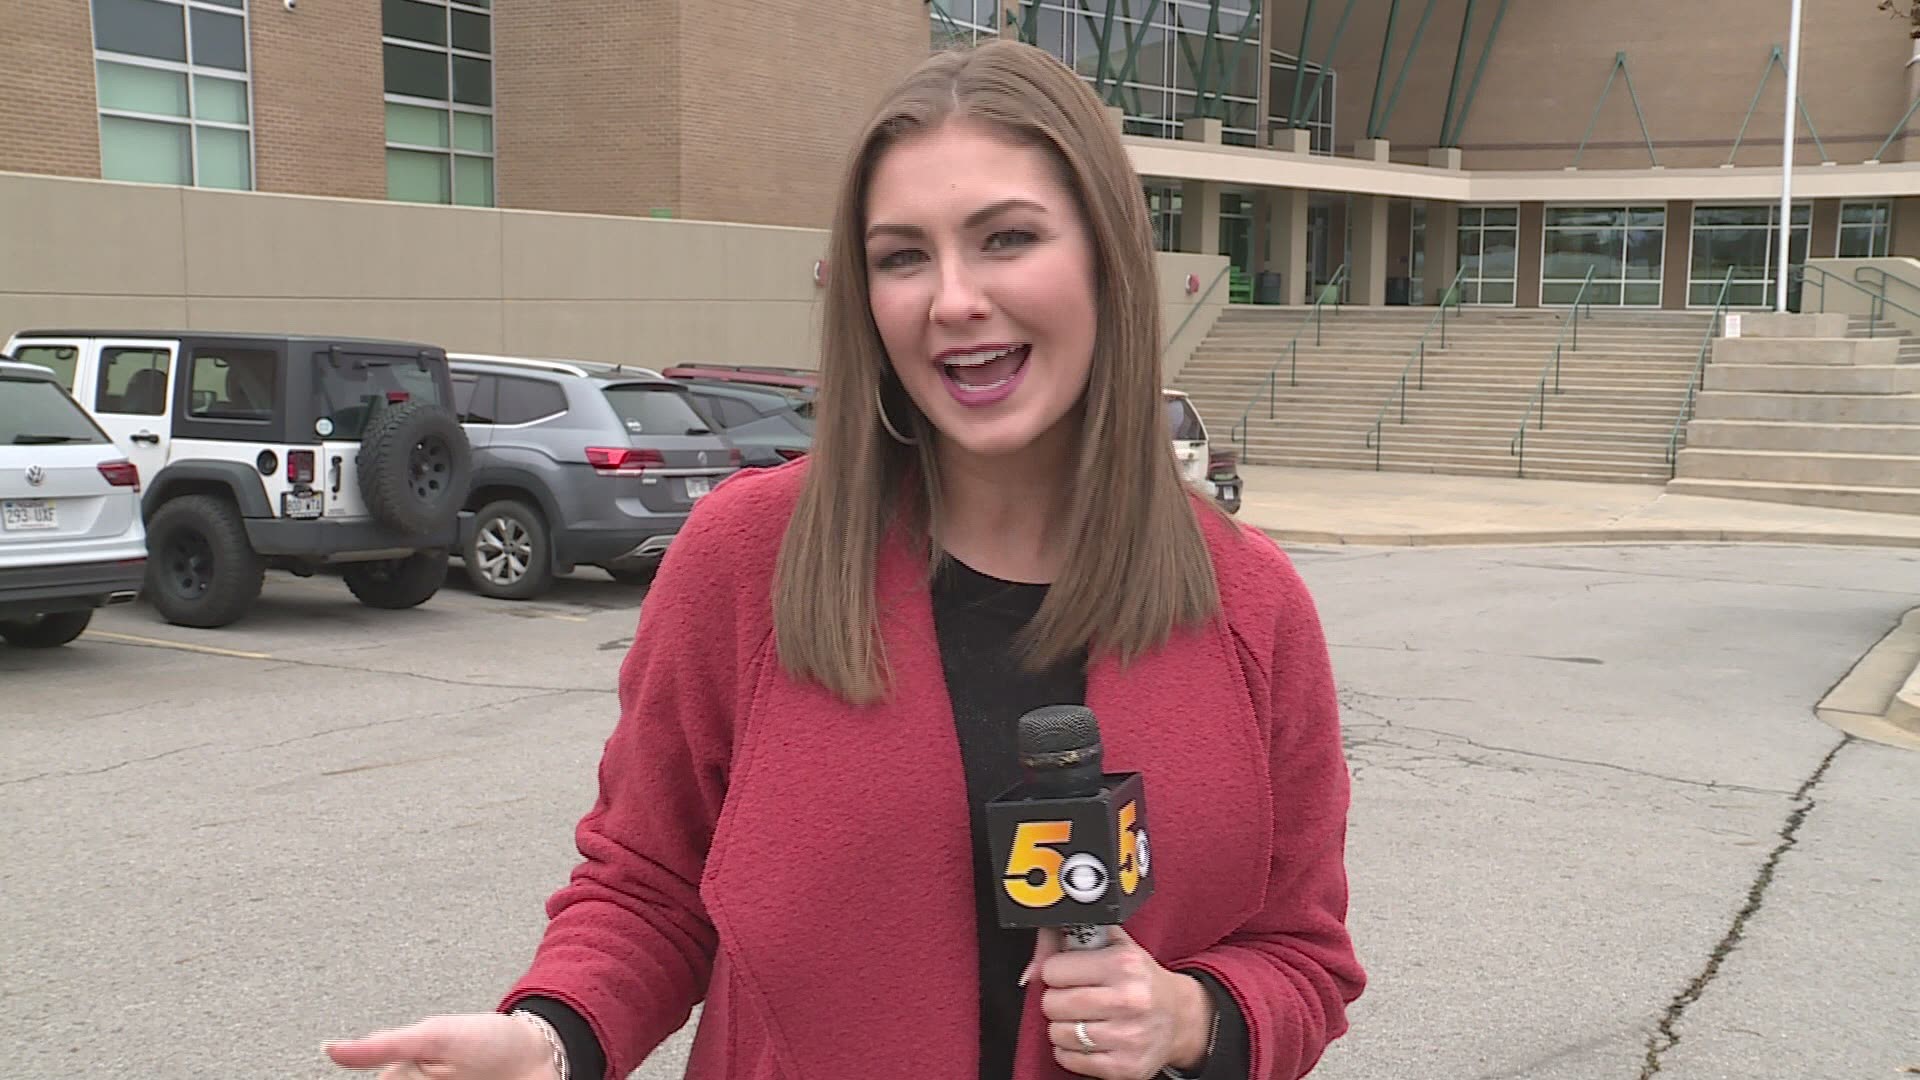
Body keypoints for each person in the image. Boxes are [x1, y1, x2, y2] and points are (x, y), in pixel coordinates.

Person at [324, 39, 1364, 1080]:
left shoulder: (1250, 603)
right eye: (902, 255)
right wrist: (553, 1039)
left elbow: (1303, 959)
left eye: (1006, 238)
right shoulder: (749, 558)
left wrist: (1188, 1016)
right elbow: (648, 884)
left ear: (1106, 256)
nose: (951, 299)